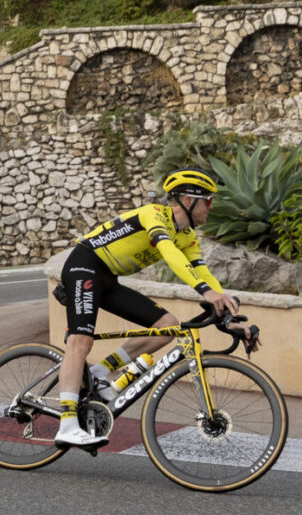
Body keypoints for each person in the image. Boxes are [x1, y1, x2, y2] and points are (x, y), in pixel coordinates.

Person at [53, 168, 255, 449]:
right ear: (189, 199)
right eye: (208, 201)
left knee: (167, 326)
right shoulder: (154, 214)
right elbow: (171, 254)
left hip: (108, 279)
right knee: (80, 341)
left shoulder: (188, 236)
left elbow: (203, 273)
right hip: (85, 264)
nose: (212, 207)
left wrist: (229, 315)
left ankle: (100, 372)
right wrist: (205, 292)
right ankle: (67, 426)